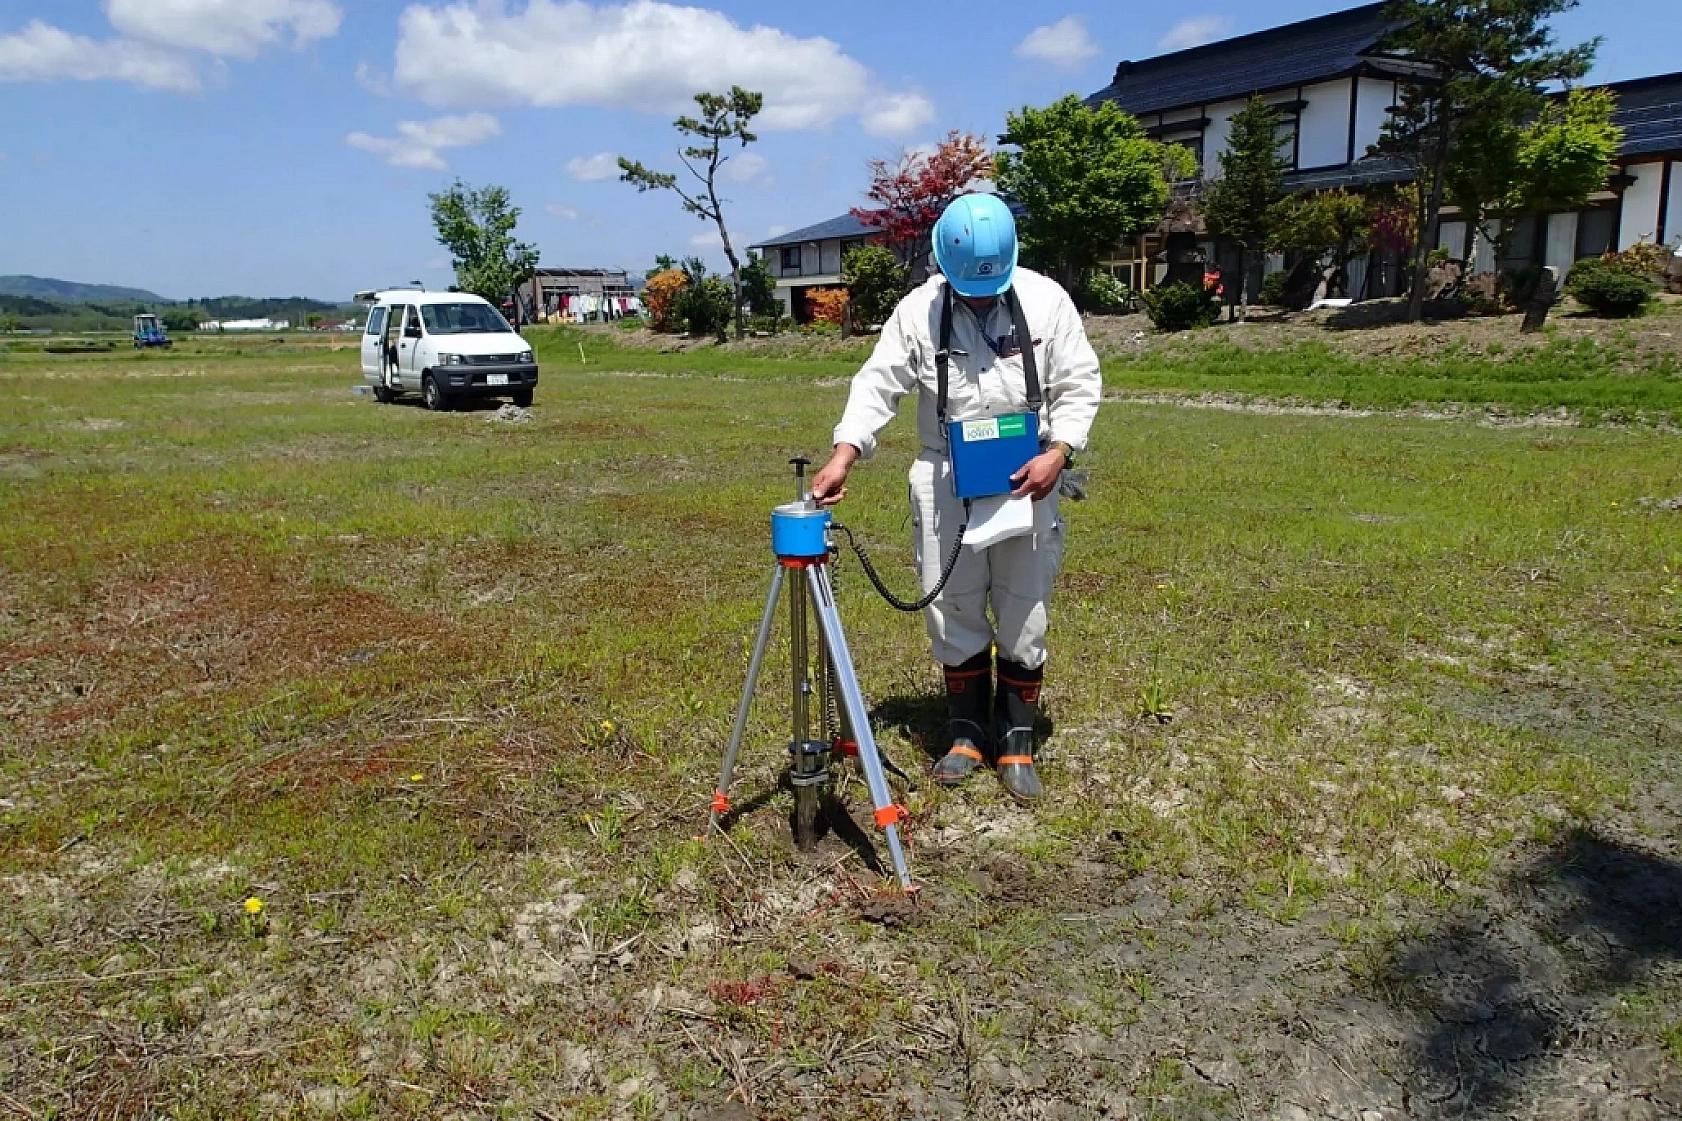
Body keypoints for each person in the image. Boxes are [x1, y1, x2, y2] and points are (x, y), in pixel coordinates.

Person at [810, 194, 1101, 801]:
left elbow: (1079, 382)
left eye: (987, 288)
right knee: (954, 604)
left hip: (1029, 472)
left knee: (1024, 606)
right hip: (945, 474)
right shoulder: (917, 311)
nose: (977, 297)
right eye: (967, 288)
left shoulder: (1047, 301)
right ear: (945, 264)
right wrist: (845, 453)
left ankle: (1016, 740)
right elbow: (877, 384)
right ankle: (967, 732)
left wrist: (1061, 451)